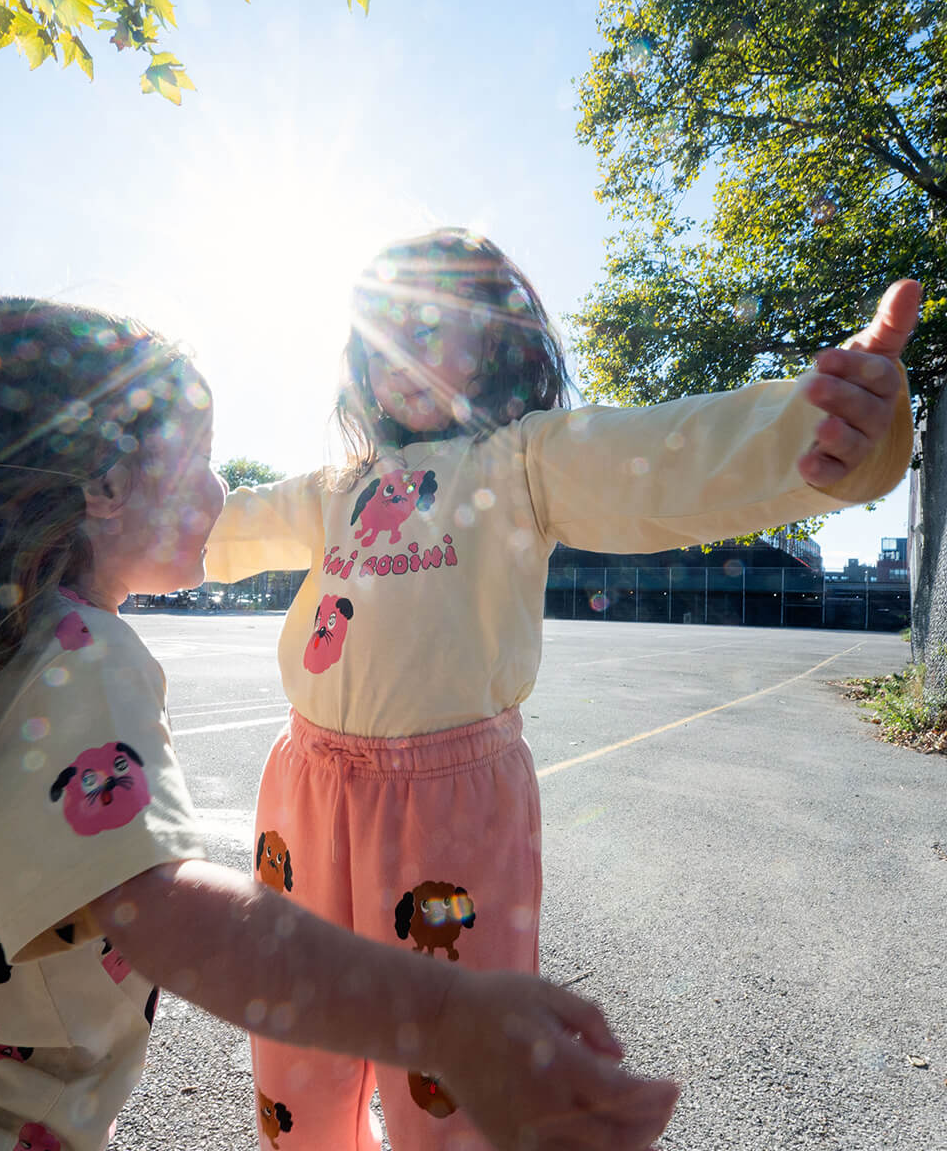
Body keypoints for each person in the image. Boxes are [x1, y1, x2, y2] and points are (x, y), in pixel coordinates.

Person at [0, 283, 680, 1151]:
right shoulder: (80, 659)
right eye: (197, 459)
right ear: (103, 484)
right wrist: (445, 1015)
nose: (220, 488)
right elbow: (159, 910)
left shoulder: (1, 644)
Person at [202, 228, 919, 1151]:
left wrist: (819, 430)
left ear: (495, 346)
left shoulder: (521, 461)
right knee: (294, 1023)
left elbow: (661, 455)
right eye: (380, 334)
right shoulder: (335, 488)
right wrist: (116, 510)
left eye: (431, 325)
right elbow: (225, 527)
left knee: (450, 1067)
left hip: (447, 801)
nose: (400, 353)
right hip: (304, 783)